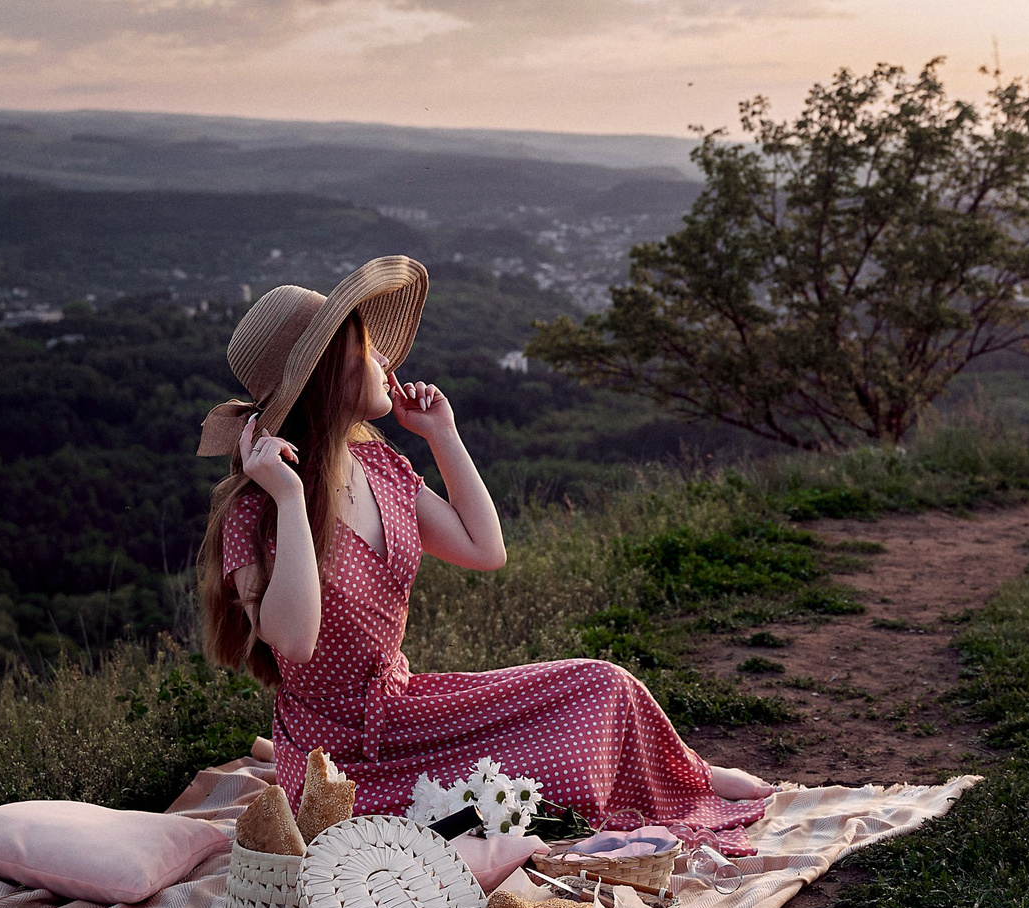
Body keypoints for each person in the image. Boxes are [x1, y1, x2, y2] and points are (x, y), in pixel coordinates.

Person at [194, 257, 775, 850]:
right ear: (331, 373)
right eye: (367, 349)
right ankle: (606, 799)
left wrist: (443, 435)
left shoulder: (381, 468)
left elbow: (484, 549)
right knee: (530, 806)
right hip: (336, 764)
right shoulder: (259, 510)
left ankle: (688, 775)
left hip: (410, 711)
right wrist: (291, 500)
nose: (384, 361)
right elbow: (292, 641)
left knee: (604, 683)